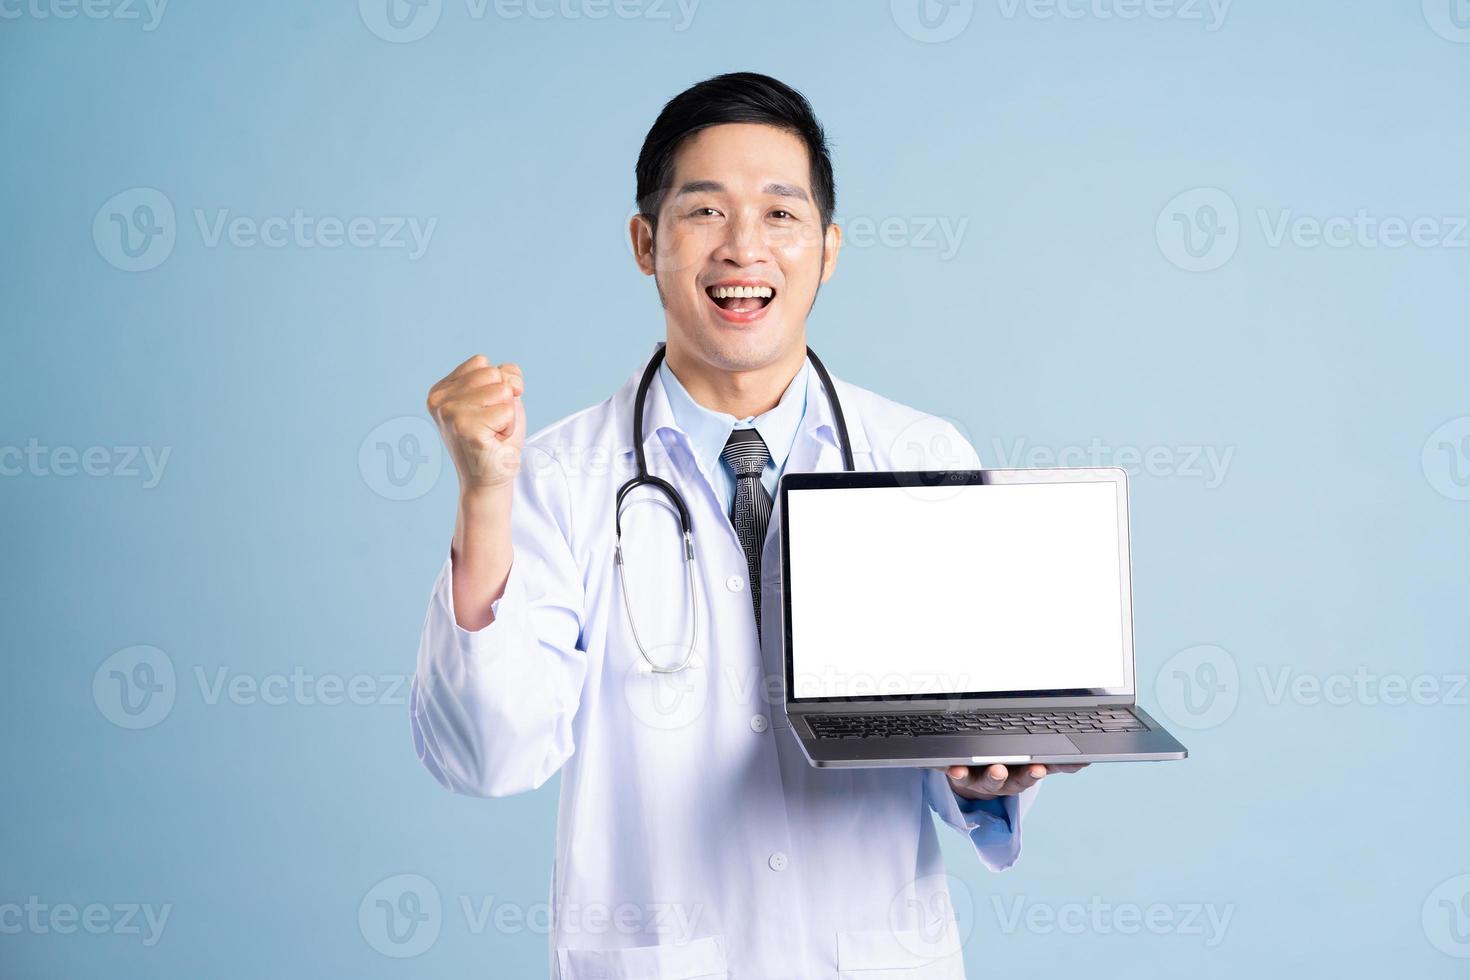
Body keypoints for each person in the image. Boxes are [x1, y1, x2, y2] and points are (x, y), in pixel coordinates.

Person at [411, 71, 1086, 979]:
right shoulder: (559, 479)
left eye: (779, 215)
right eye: (703, 213)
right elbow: (486, 755)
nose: (743, 249)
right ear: (645, 242)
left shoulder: (917, 452)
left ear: (828, 249)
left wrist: (979, 770)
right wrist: (484, 496)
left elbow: (951, 737)